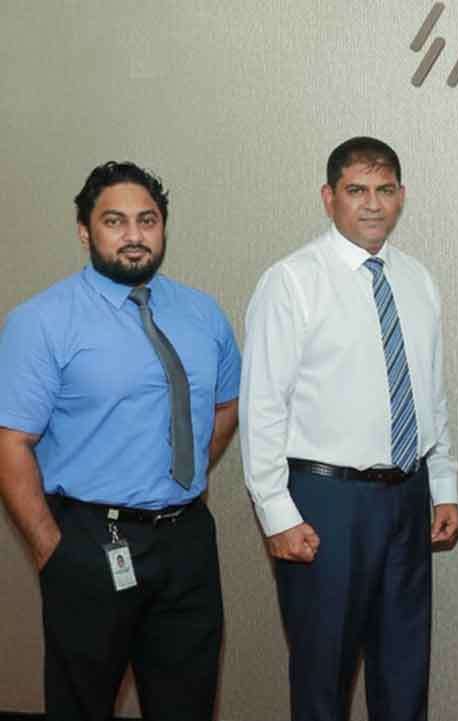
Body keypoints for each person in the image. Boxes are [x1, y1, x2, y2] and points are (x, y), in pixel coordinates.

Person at [0, 161, 241, 720]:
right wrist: (51, 550)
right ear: (85, 232)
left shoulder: (202, 313)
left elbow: (226, 406)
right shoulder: (41, 321)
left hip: (187, 542)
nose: (134, 235)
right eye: (115, 221)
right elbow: (10, 442)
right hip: (88, 541)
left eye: (147, 220)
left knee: (188, 705)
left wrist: (180, 469)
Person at [240, 136, 458, 721]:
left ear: (401, 196)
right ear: (328, 197)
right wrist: (276, 512)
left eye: (384, 190)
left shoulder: (417, 279)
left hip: (407, 497)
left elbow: (430, 392)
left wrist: (443, 486)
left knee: (405, 672)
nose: (372, 204)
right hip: (325, 502)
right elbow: (262, 406)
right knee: (324, 676)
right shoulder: (291, 281)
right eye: (356, 190)